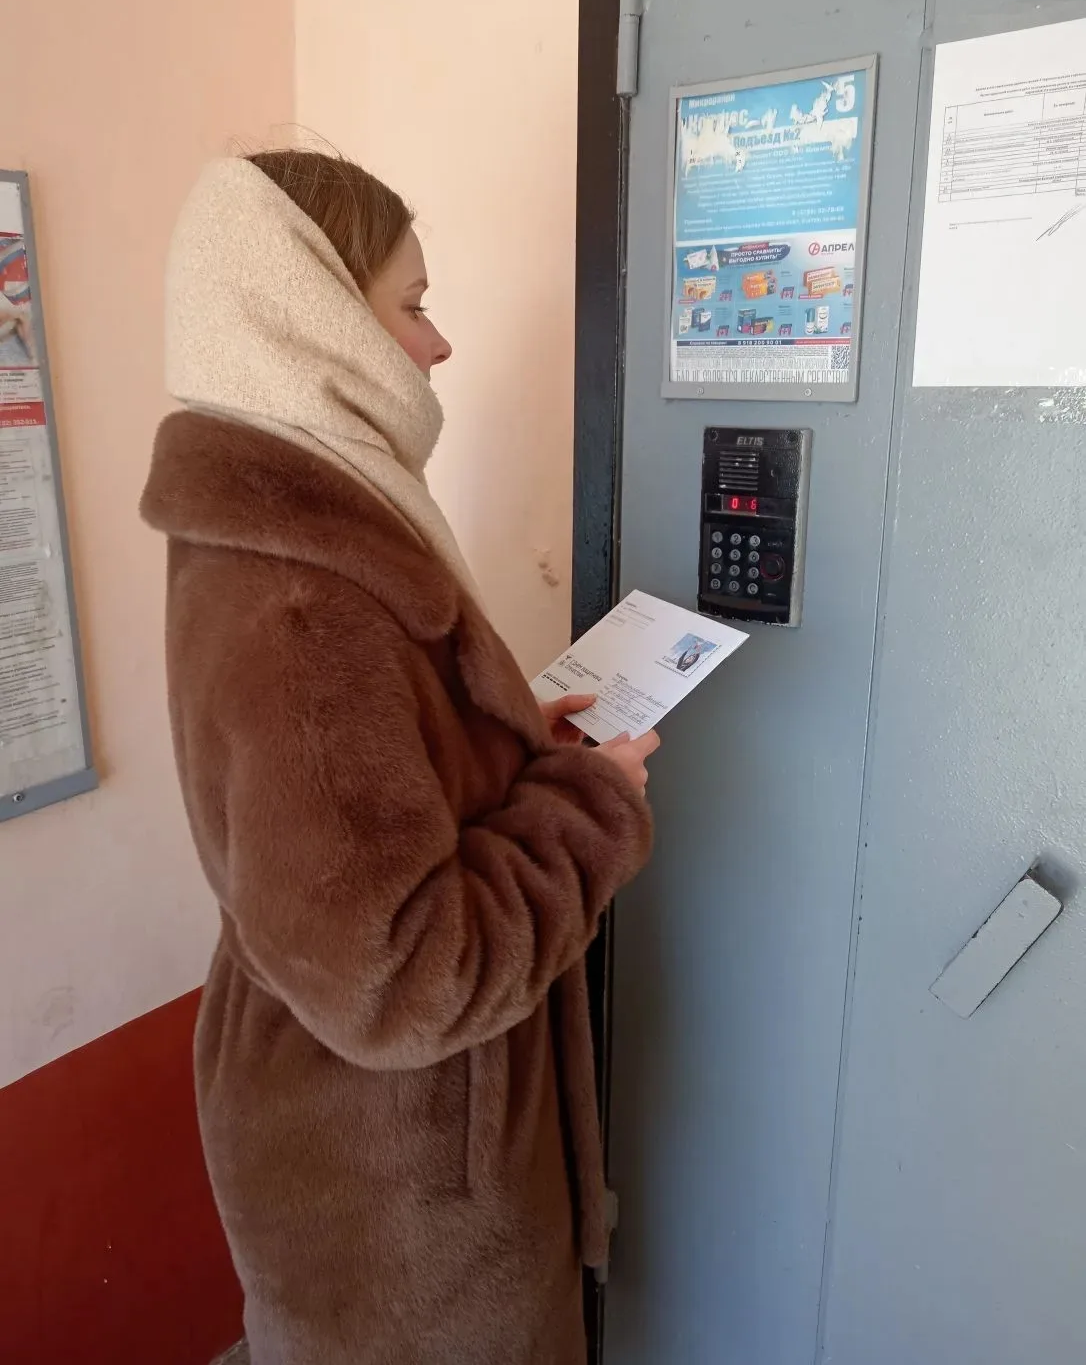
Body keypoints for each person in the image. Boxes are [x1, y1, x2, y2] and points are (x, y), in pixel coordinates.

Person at [140, 150, 660, 1365]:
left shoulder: (308, 524)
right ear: (312, 316)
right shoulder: (303, 598)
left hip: (390, 1145)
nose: (438, 344)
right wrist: (590, 806)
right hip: (396, 1201)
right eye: (412, 303)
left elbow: (364, 812)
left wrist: (512, 747)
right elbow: (396, 977)